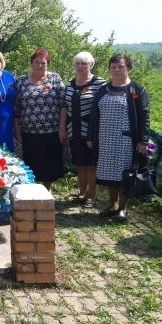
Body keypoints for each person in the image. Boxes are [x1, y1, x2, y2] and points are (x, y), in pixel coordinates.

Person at [87, 53, 150, 223]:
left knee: (125, 175)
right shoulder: (103, 90)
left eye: (120, 66)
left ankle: (123, 209)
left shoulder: (137, 90)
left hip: (126, 141)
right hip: (105, 140)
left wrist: (143, 140)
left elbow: (144, 116)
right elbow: (94, 116)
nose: (116, 70)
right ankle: (113, 206)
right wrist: (91, 137)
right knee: (109, 174)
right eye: (113, 67)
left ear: (128, 68)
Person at [59, 52, 106, 208]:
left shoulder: (100, 83)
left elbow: (103, 108)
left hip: (92, 131)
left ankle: (91, 196)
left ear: (90, 65)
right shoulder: (70, 84)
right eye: (77, 63)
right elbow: (64, 107)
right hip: (74, 130)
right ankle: (82, 193)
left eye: (84, 64)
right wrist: (62, 128)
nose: (80, 67)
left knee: (91, 164)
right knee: (80, 163)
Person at [14, 48, 65, 190]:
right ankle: (33, 191)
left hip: (52, 131)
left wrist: (62, 128)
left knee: (50, 165)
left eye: (43, 63)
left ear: (47, 64)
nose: (40, 65)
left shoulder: (55, 79)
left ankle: (47, 191)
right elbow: (16, 108)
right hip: (29, 132)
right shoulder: (21, 82)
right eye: (36, 62)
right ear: (31, 63)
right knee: (31, 164)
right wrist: (17, 130)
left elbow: (63, 105)